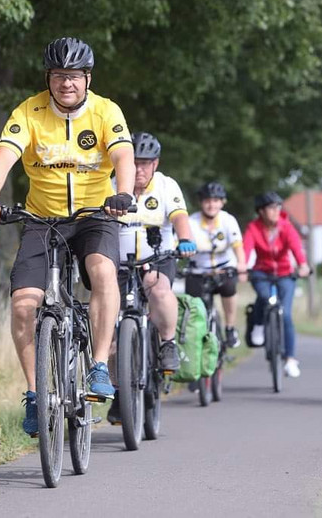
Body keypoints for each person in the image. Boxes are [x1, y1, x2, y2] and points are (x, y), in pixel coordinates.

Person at [0, 37, 136, 436]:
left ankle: (97, 365)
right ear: (48, 78)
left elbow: (123, 157)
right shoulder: (29, 112)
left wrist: (124, 193)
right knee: (23, 304)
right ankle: (34, 394)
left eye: (74, 77)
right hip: (42, 218)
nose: (67, 84)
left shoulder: (105, 111)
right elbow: (4, 157)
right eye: (59, 76)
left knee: (101, 271)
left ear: (87, 78)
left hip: (96, 215)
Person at [107, 132, 196, 424]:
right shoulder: (109, 185)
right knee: (108, 328)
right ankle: (120, 394)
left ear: (155, 164)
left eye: (145, 163)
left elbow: (180, 218)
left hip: (157, 259)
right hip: (118, 264)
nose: (139, 170)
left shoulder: (167, 186)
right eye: (134, 163)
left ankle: (168, 343)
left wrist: (185, 239)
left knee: (158, 289)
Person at [242, 191, 311, 378]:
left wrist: (303, 265)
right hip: (261, 272)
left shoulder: (286, 227)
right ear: (261, 211)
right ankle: (257, 324)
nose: (275, 211)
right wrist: (242, 267)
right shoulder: (253, 228)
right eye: (271, 208)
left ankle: (290, 359)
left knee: (286, 314)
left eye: (277, 207)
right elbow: (246, 249)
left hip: (285, 273)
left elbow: (296, 247)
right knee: (264, 297)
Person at [185, 182, 247, 348]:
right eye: (207, 200)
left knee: (229, 289)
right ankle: (195, 339)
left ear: (222, 202)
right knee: (193, 305)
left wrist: (241, 265)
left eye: (215, 200)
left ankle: (230, 328)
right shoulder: (191, 222)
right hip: (198, 271)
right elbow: (179, 245)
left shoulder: (228, 220)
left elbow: (237, 246)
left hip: (224, 268)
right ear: (201, 202)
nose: (211, 205)